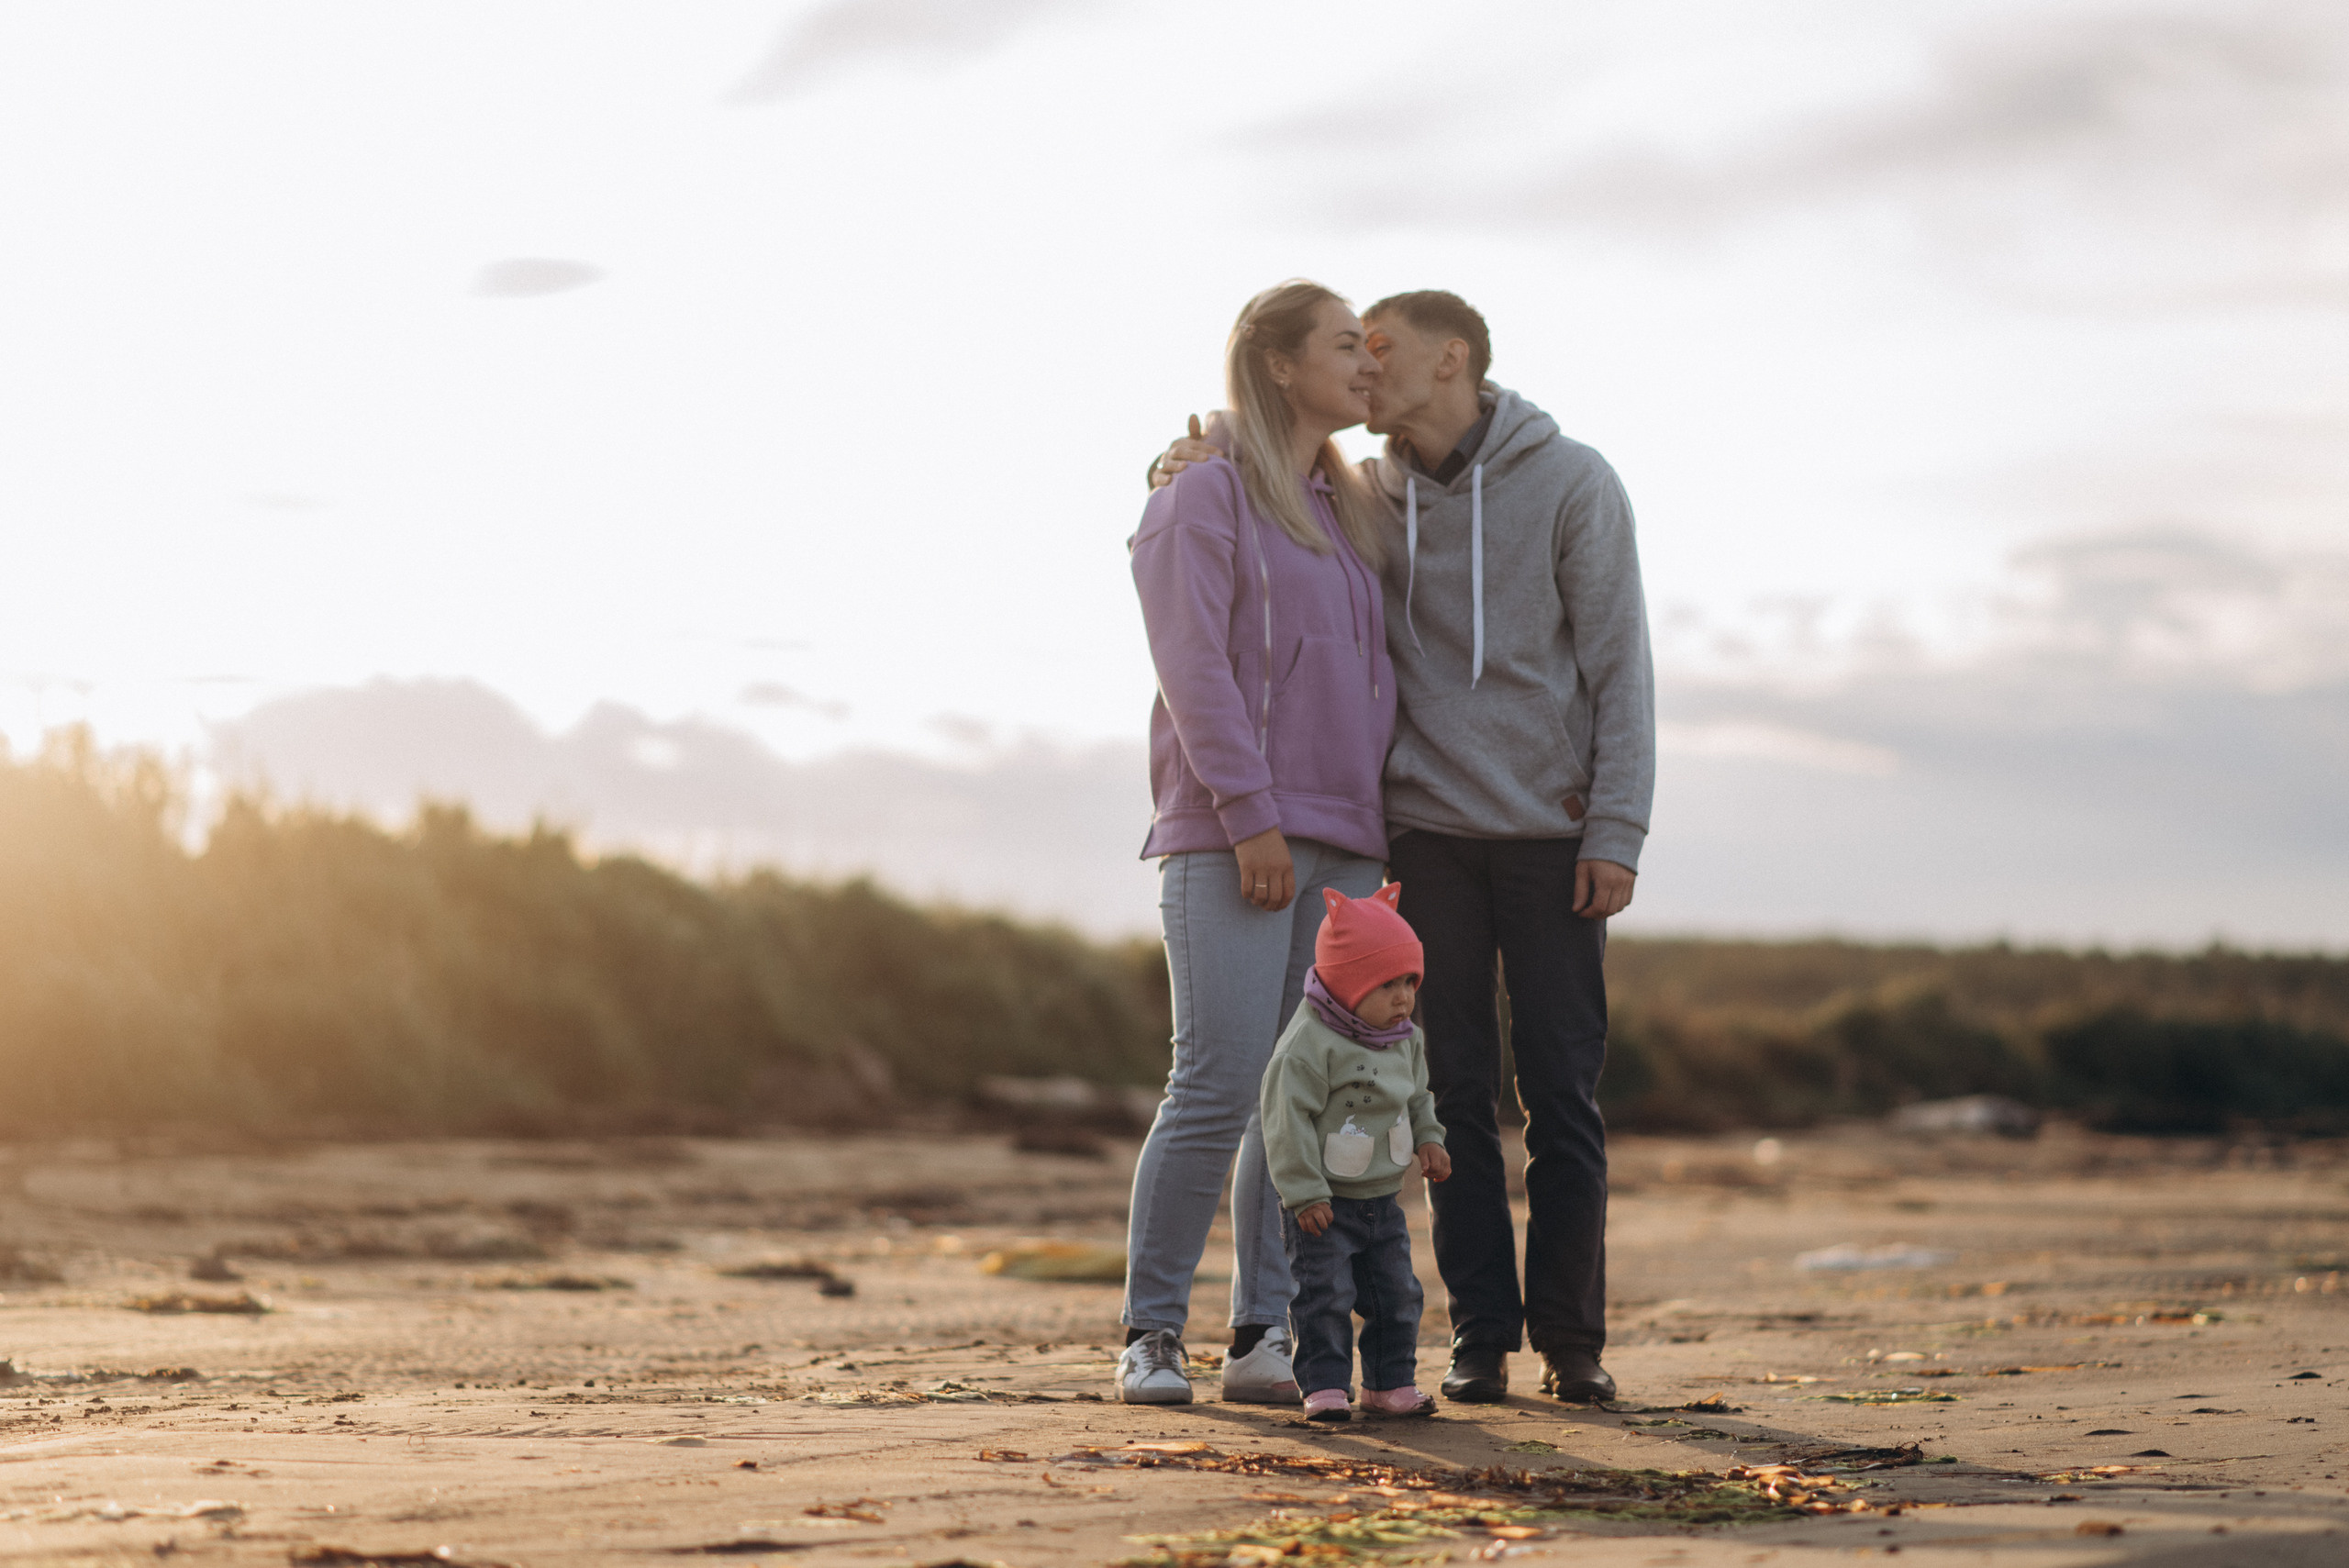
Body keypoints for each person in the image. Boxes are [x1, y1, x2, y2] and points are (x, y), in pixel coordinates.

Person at [1151, 290, 1655, 1407]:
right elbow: (1261, 465)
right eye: (1349, 350)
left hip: (1554, 833)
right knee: (1447, 1094)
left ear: (1453, 357)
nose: (1365, 370)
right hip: (1422, 836)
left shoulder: (1574, 481)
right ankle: (1479, 1336)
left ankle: (1573, 1341)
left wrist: (1616, 825)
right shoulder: (1366, 494)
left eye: (1383, 349)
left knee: (1563, 1096)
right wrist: (1196, 448)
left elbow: (1623, 667)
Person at [1119, 280, 1399, 1406]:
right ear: (1279, 364)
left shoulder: (1355, 504)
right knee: (1218, 1079)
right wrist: (1249, 814)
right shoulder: (1201, 496)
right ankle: (1147, 1332)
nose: (1367, 365)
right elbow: (1191, 666)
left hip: (1342, 842)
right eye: (1346, 346)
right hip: (1239, 832)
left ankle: (1261, 1336)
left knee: (1300, 1100)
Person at [1260, 884, 1450, 1421]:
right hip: (1323, 1203)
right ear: (1345, 981)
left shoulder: (1402, 1035)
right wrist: (1303, 1192)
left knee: (1397, 1295)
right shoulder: (1308, 1044)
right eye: (1387, 984)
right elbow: (1284, 1120)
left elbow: (1417, 1093)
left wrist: (1429, 1138)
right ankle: (1324, 1385)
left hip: (1382, 1200)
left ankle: (1390, 1383)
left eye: (1409, 982)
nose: (1403, 998)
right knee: (1324, 1296)